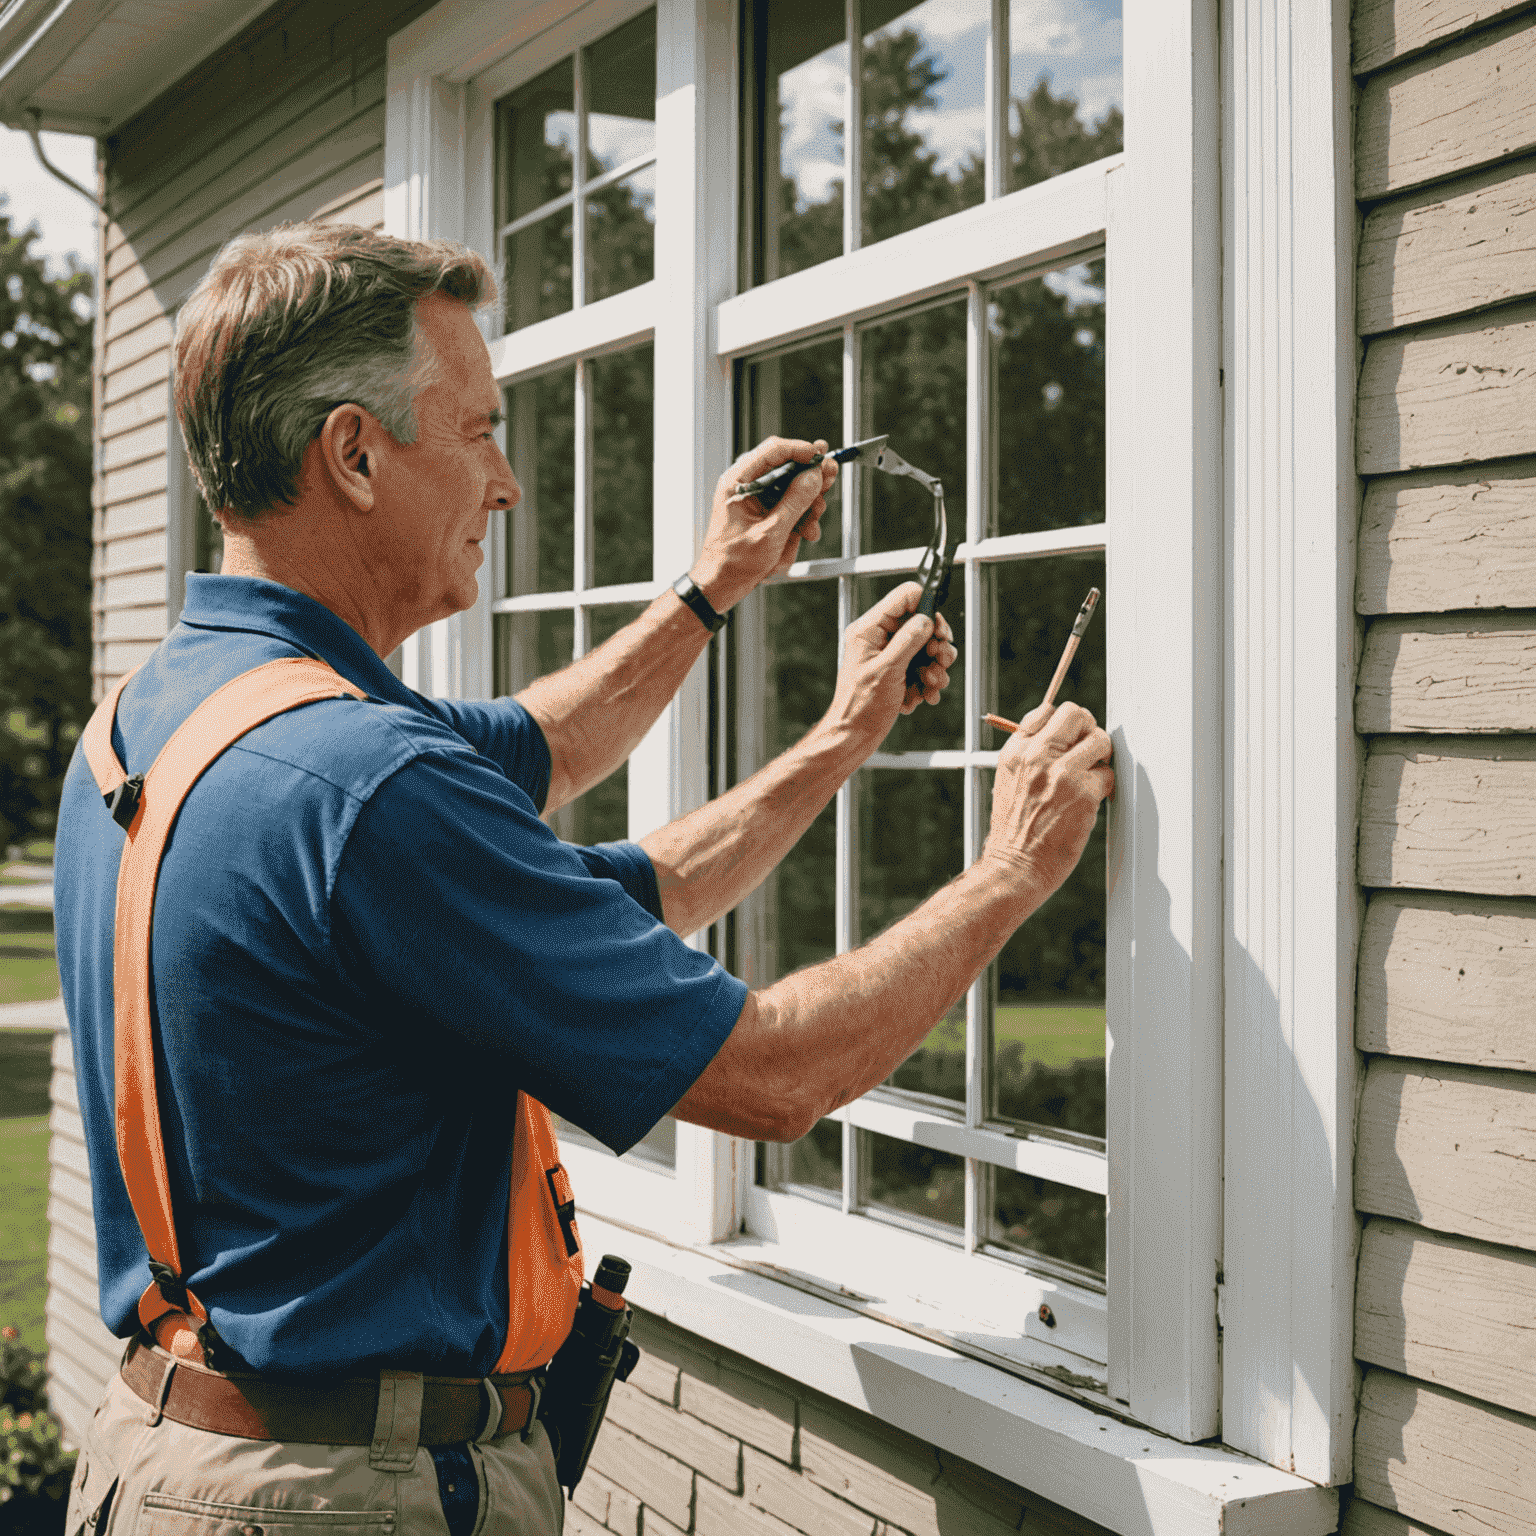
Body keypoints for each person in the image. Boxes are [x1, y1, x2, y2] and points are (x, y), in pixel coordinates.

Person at [55, 224, 1112, 1535]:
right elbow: (775, 1077)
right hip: (339, 1500)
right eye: (482, 430)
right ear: (356, 453)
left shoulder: (165, 724)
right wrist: (1015, 866)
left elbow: (563, 767)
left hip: (167, 1455)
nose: (505, 484)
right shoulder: (368, 790)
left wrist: (761, 642)